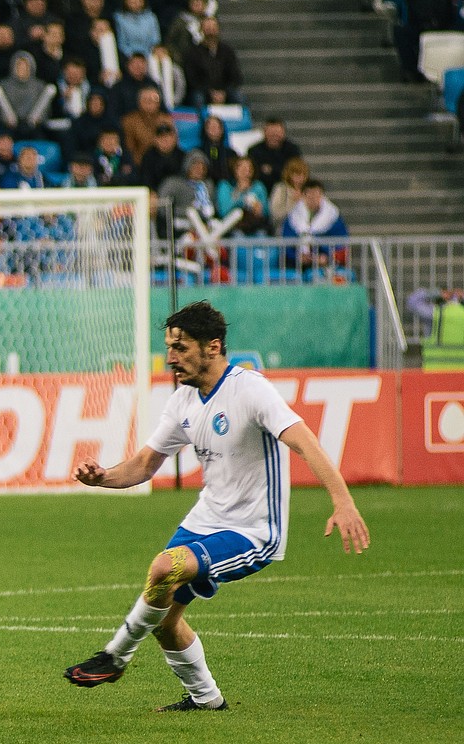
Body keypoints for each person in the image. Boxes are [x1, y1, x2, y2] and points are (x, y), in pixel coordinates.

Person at [64, 300, 370, 711]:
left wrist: (342, 500)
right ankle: (206, 699)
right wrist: (101, 477)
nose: (171, 358)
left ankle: (114, 657)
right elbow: (142, 465)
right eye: (169, 347)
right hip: (206, 518)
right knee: (166, 621)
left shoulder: (250, 389)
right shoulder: (183, 402)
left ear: (213, 346)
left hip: (253, 530)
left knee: (163, 568)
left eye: (181, 347)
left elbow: (303, 440)